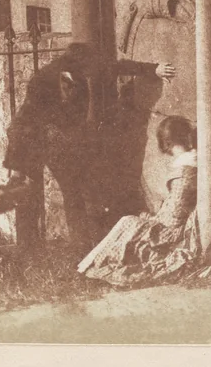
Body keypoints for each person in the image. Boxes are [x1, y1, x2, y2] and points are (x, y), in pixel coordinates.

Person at [0, 43, 175, 253]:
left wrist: (154, 69)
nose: (90, 74)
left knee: (85, 193)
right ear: (69, 69)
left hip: (71, 142)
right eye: (87, 70)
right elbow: (22, 124)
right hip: (42, 141)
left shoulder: (83, 69)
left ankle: (95, 245)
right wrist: (18, 171)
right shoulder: (41, 82)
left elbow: (115, 67)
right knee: (70, 195)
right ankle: (74, 249)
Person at [77, 114, 200, 286]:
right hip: (172, 221)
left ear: (167, 143)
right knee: (128, 221)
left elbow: (177, 211)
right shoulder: (190, 162)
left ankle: (89, 267)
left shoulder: (186, 166)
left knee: (127, 221)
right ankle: (90, 265)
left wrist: (153, 220)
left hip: (172, 230)